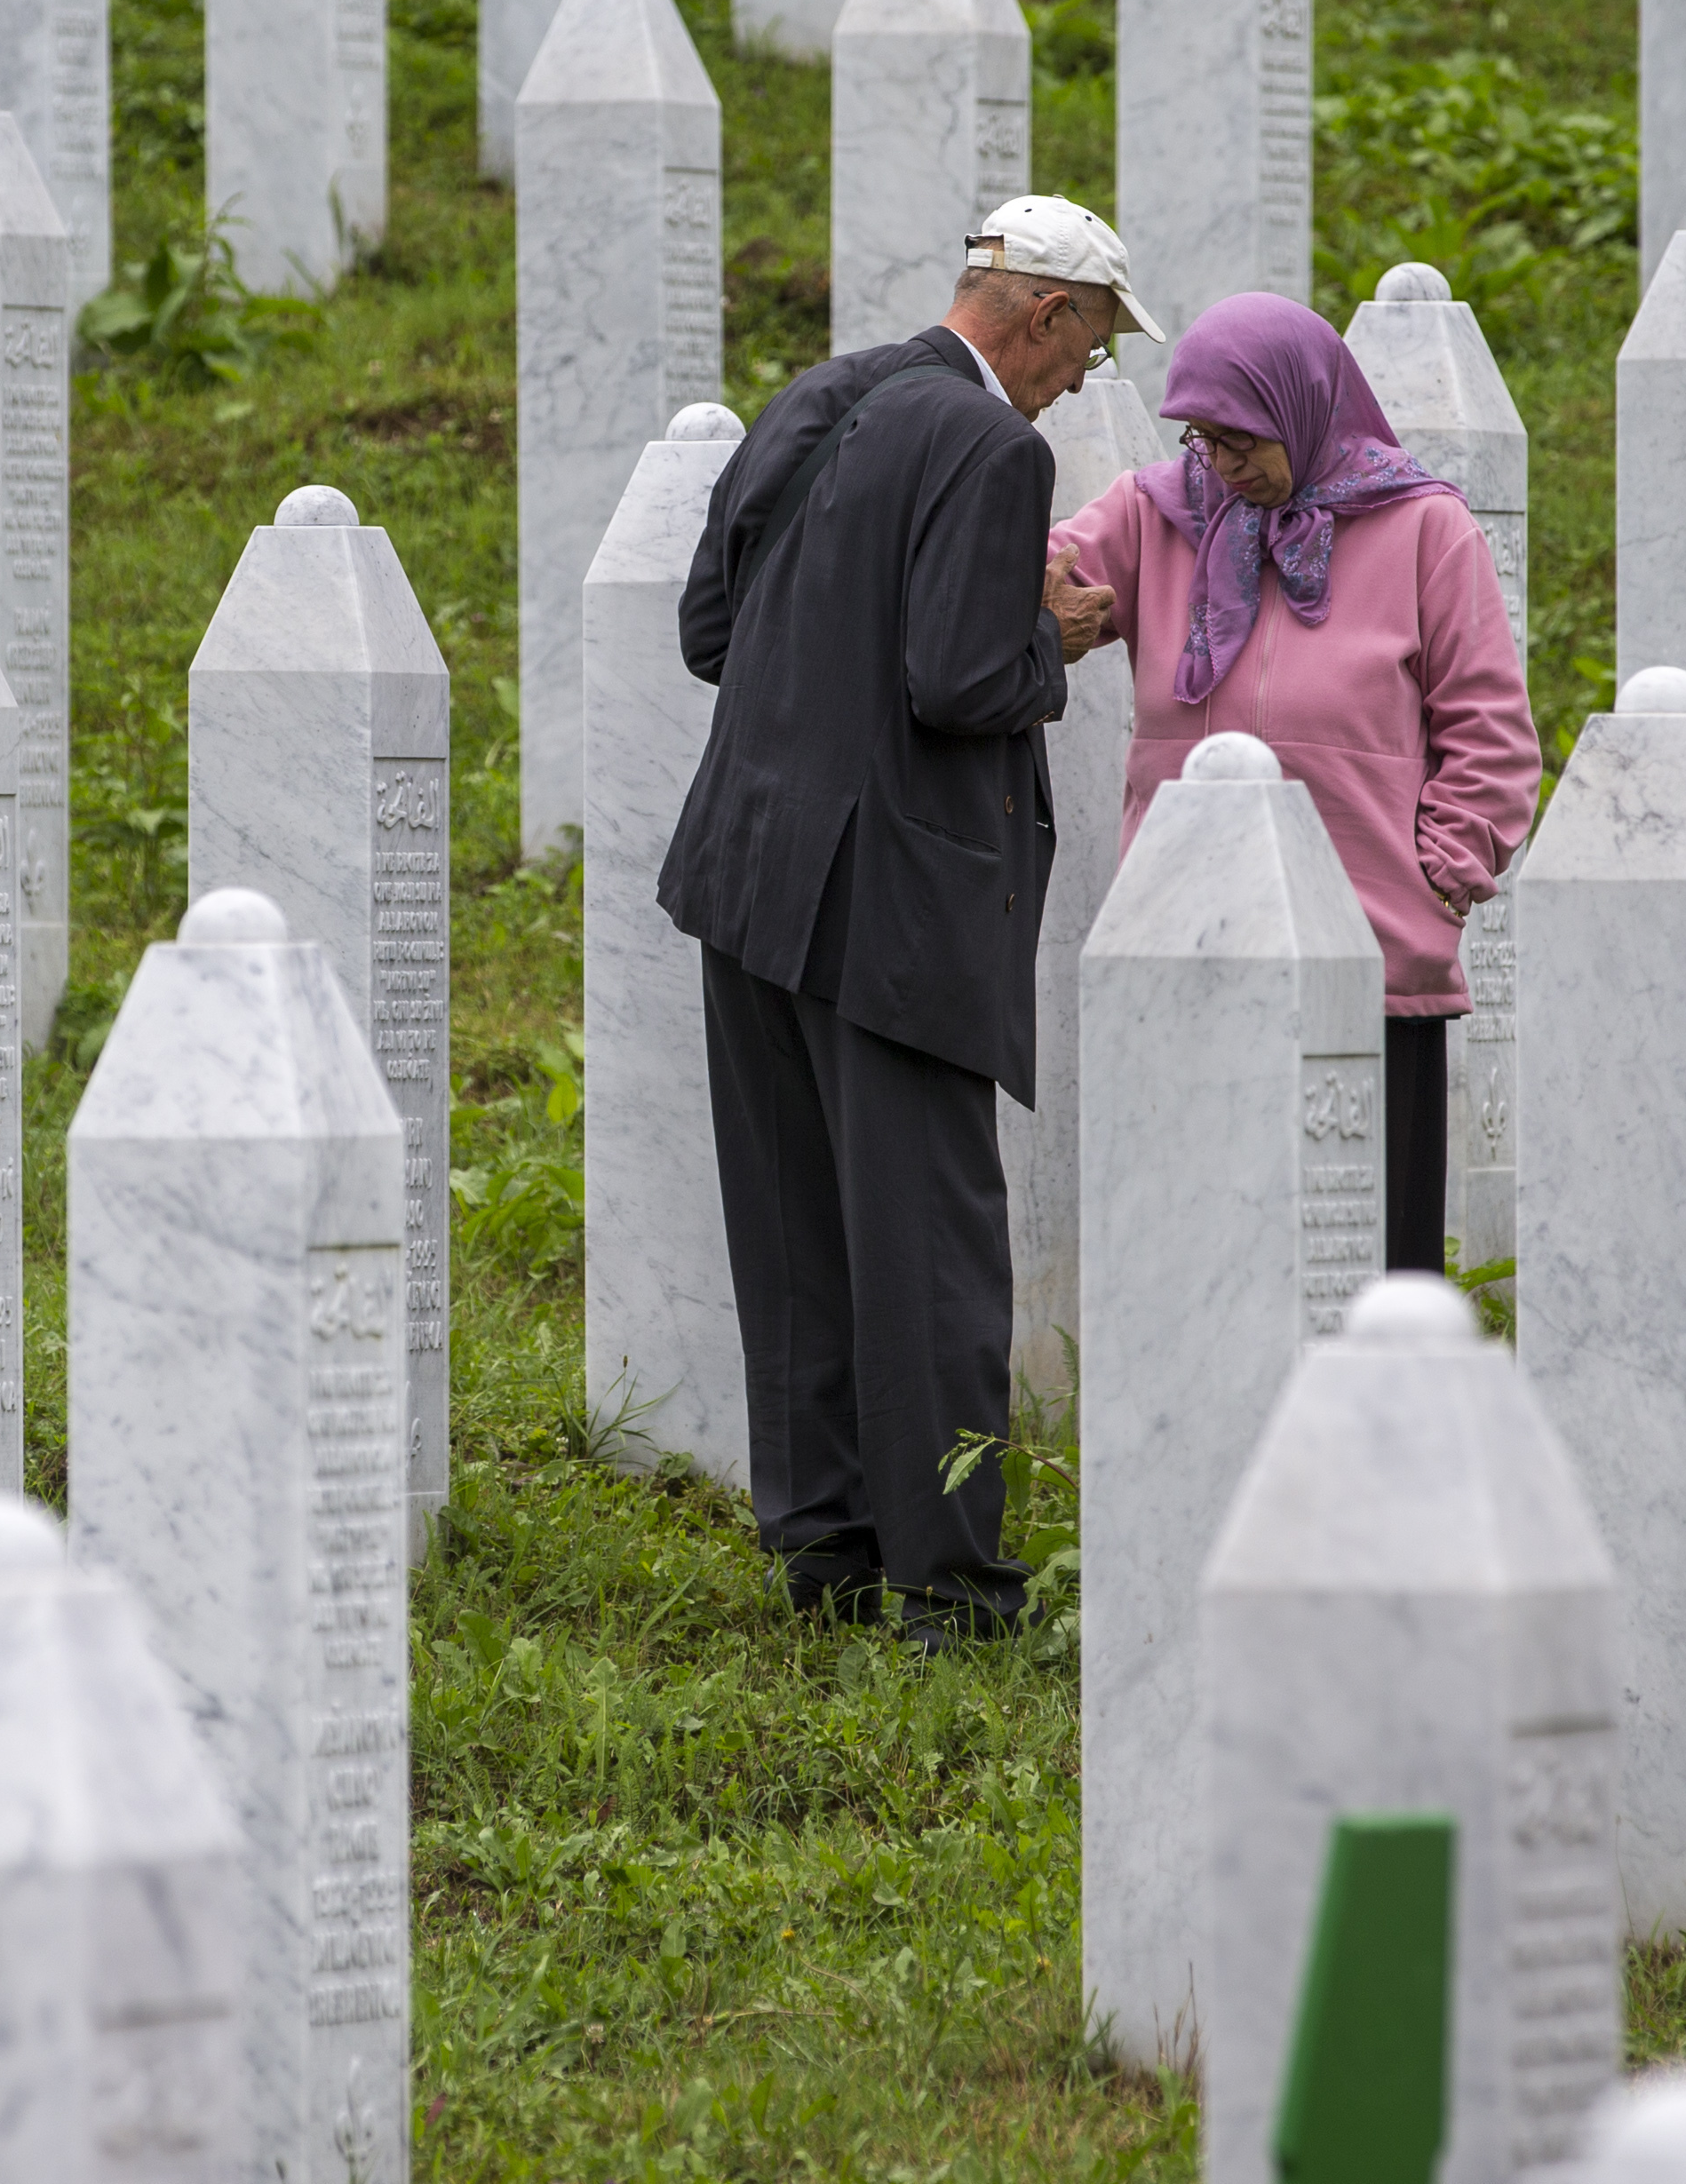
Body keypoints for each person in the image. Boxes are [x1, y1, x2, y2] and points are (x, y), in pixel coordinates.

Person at [656, 196, 1144, 1644]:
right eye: (1089, 350)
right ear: (1043, 313)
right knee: (929, 1243)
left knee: (795, 1227)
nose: (1081, 382)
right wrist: (1048, 639)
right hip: (894, 907)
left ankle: (827, 1548)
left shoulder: (820, 394)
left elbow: (710, 630)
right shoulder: (997, 447)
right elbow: (955, 678)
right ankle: (948, 1587)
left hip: (748, 872)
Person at [1043, 290, 1538, 1273]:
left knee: (1364, 1265)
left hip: (1374, 957)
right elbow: (1037, 573)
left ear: (1302, 410)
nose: (1222, 467)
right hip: (1188, 943)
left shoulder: (1423, 530)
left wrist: (1435, 874)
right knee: (1206, 1264)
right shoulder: (1159, 514)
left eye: (1243, 442)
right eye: (1204, 441)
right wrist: (1041, 604)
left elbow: (1491, 732)